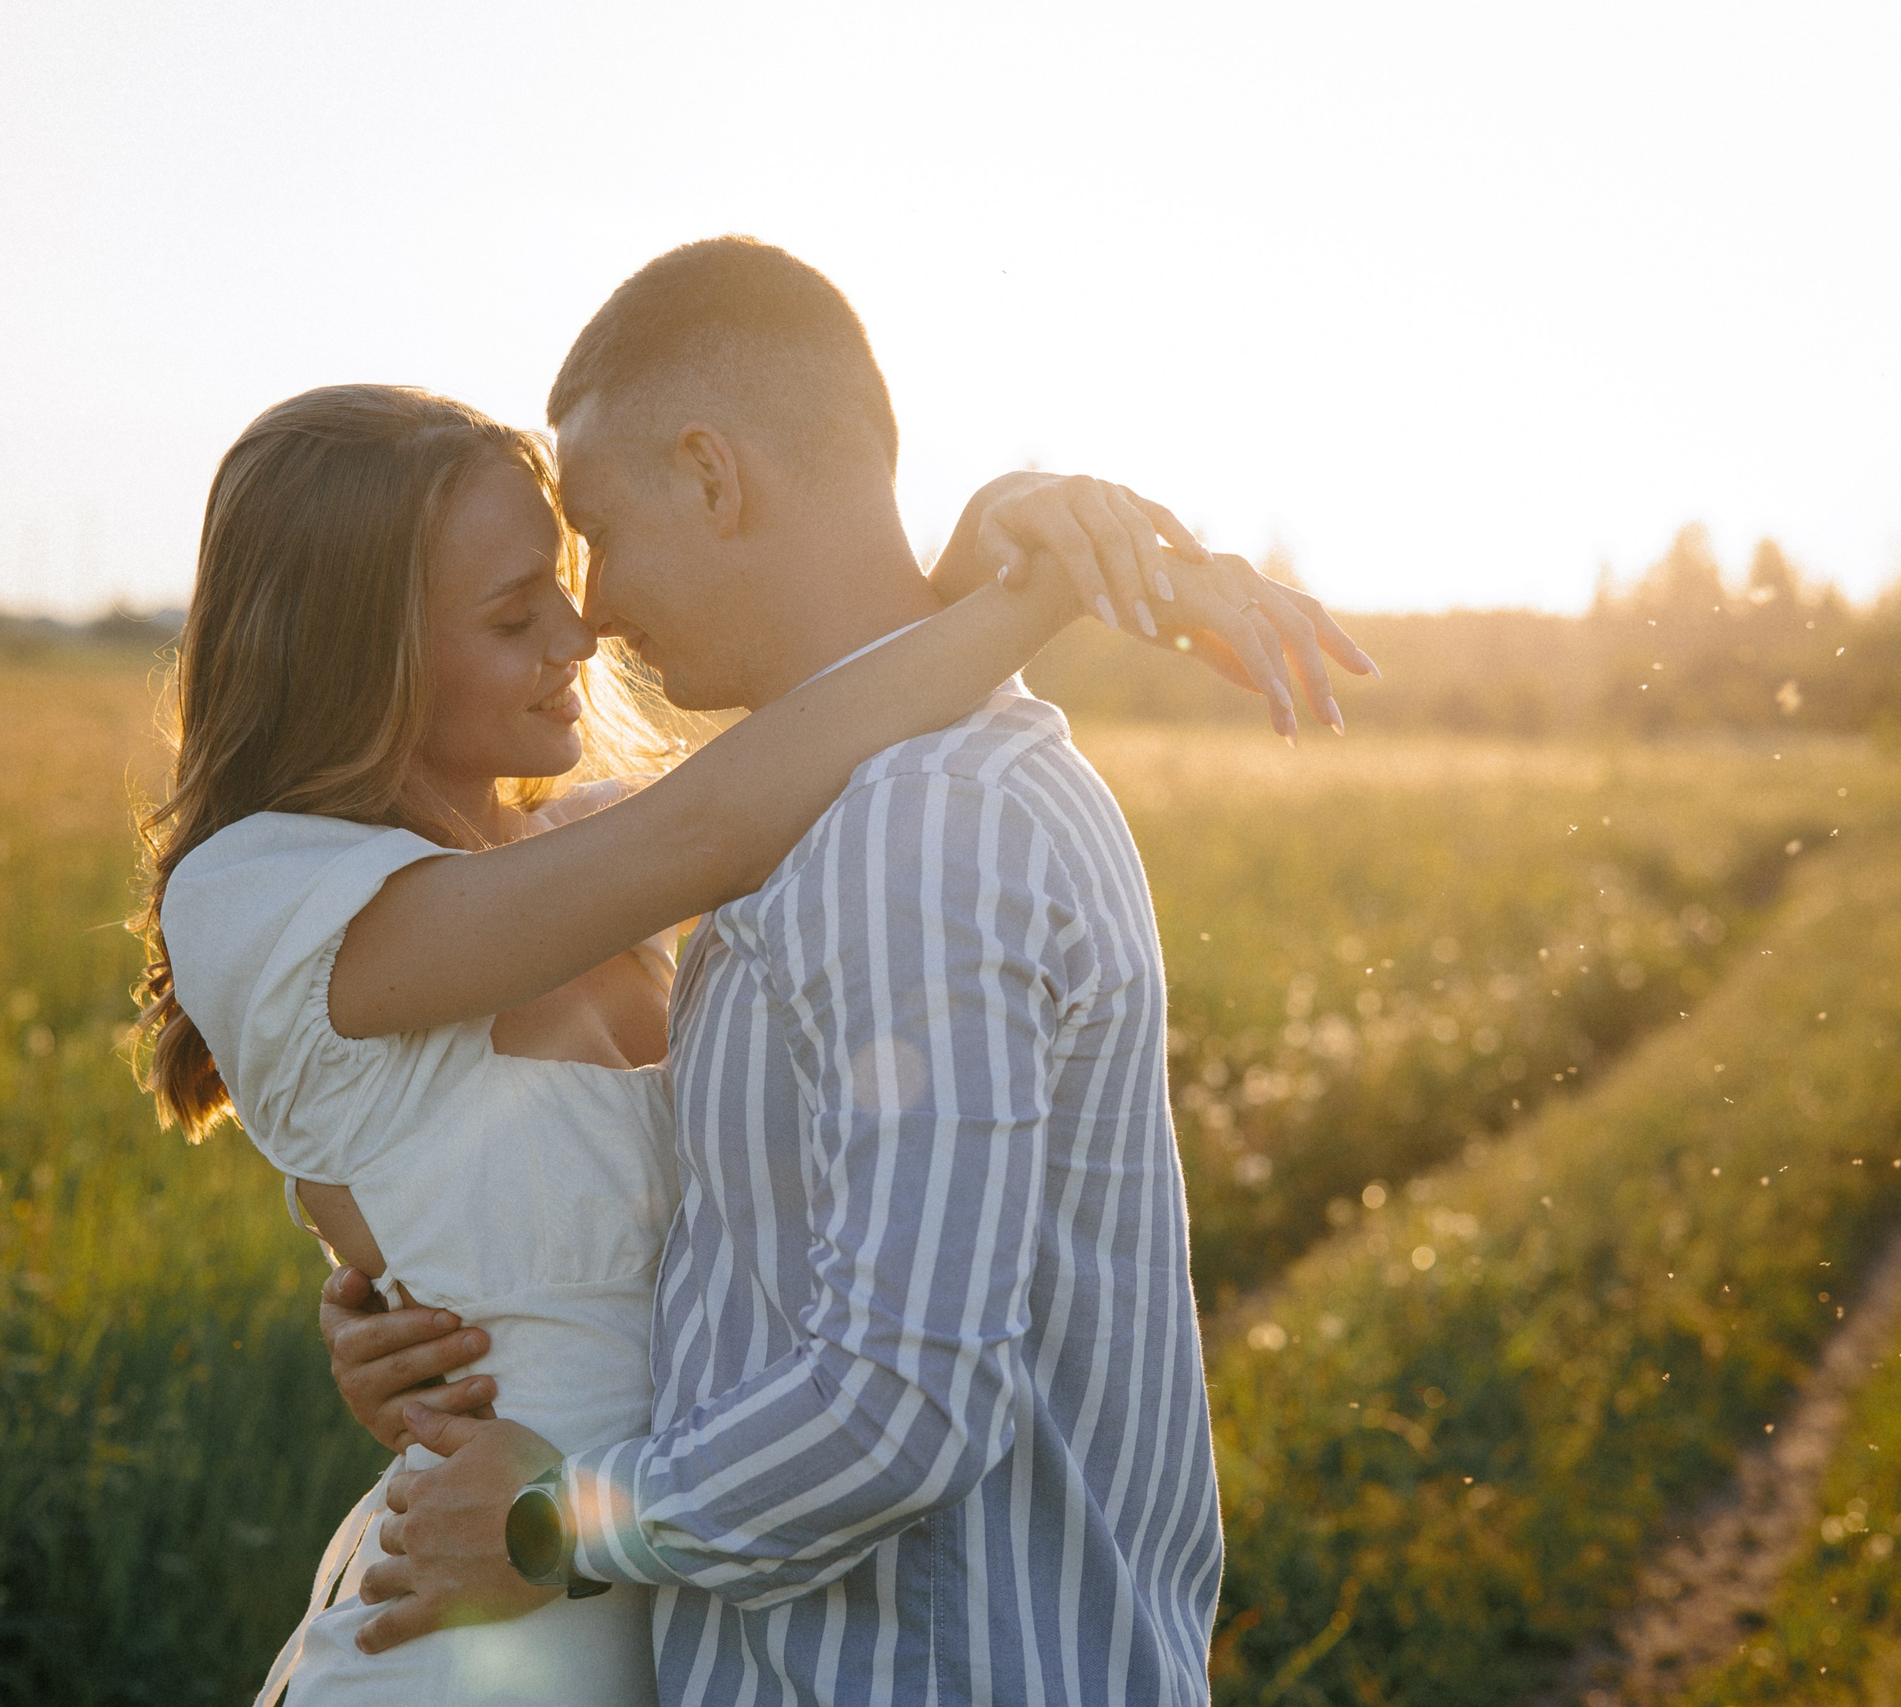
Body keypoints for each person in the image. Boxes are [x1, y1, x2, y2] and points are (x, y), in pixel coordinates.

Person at [313, 237, 1376, 1704]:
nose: (596, 606)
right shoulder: (854, 803)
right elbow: (752, 1256)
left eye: (602, 530)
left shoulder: (915, 837)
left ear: (712, 474)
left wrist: (555, 1525)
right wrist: (426, 1311)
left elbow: (897, 1405)